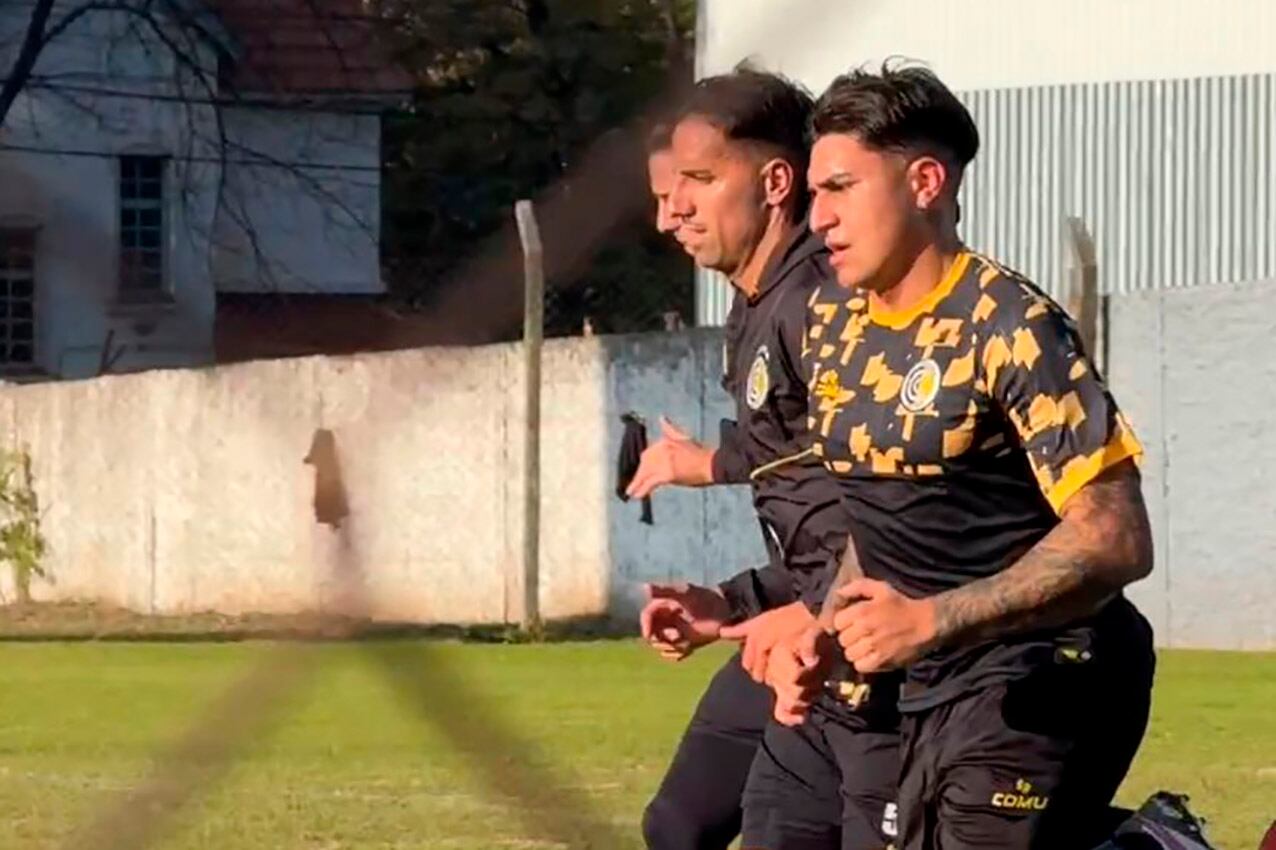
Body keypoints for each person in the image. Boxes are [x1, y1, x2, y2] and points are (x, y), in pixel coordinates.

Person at [769, 63, 1157, 850]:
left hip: (1049, 671)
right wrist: (826, 625)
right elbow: (883, 518)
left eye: (841, 188)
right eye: (815, 195)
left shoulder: (1010, 325)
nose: (819, 220)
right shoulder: (832, 330)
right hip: (922, 684)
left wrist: (935, 618)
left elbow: (1116, 537)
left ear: (924, 181)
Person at [631, 69, 895, 850]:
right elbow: (808, 496)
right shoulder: (757, 306)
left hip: (876, 635)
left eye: (697, 182)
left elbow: (889, 507)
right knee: (680, 824)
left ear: (776, 181)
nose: (671, 212)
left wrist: (811, 616)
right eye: (664, 188)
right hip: (807, 624)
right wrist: (734, 603)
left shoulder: (825, 298)